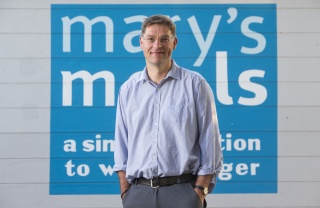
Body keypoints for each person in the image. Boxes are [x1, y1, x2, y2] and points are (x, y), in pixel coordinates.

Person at [113, 14, 223, 208]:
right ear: (141, 42)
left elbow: (210, 142)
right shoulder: (128, 89)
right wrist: (125, 191)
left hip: (183, 192)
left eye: (164, 39)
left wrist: (199, 192)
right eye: (151, 39)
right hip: (139, 193)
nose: (157, 45)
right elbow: (121, 143)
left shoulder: (195, 85)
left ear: (174, 43)